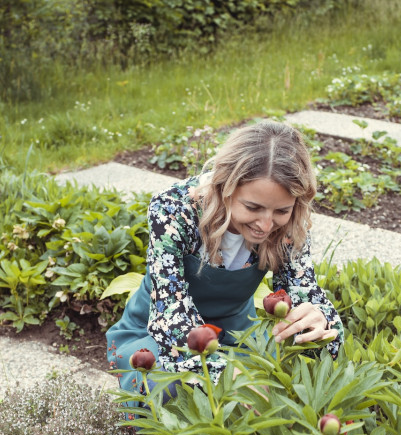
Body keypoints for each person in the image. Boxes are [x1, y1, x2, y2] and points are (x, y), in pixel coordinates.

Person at [106, 120, 344, 396]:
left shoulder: (290, 224)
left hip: (237, 334)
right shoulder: (174, 210)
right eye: (252, 207)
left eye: (281, 210)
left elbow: (306, 292)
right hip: (160, 333)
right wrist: (224, 376)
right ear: (225, 187)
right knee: (176, 389)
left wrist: (318, 318)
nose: (266, 226)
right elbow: (170, 315)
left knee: (306, 359)